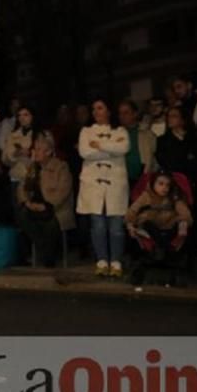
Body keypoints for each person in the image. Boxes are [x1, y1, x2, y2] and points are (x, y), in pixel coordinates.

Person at [76, 99, 130, 278]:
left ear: (108, 111)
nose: (96, 112)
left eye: (100, 108)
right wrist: (111, 150)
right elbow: (84, 152)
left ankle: (116, 261)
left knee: (116, 225)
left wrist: (99, 145)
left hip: (115, 182)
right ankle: (101, 260)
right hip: (93, 183)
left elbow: (124, 148)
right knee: (97, 224)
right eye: (93, 109)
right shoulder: (86, 131)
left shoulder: (120, 130)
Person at [125, 171, 193, 286]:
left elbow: (186, 215)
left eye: (167, 185)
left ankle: (163, 249)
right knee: (147, 224)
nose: (164, 188)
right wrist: (130, 224)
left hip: (169, 229)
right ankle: (161, 249)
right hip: (150, 229)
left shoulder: (174, 198)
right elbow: (131, 212)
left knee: (181, 224)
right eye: (160, 184)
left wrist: (180, 220)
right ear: (153, 184)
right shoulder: (146, 196)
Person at [16, 136, 73, 267]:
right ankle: (44, 250)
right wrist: (27, 202)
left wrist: (47, 205)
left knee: (51, 223)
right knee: (22, 214)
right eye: (34, 149)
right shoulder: (32, 168)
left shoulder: (61, 167)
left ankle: (48, 256)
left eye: (39, 149)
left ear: (49, 152)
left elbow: (64, 190)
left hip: (55, 208)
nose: (35, 152)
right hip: (35, 205)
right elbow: (22, 187)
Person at [117, 99, 156, 189]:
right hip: (122, 180)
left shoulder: (147, 133)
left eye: (126, 113)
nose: (122, 116)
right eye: (120, 113)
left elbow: (153, 157)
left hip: (143, 178)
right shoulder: (116, 134)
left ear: (135, 114)